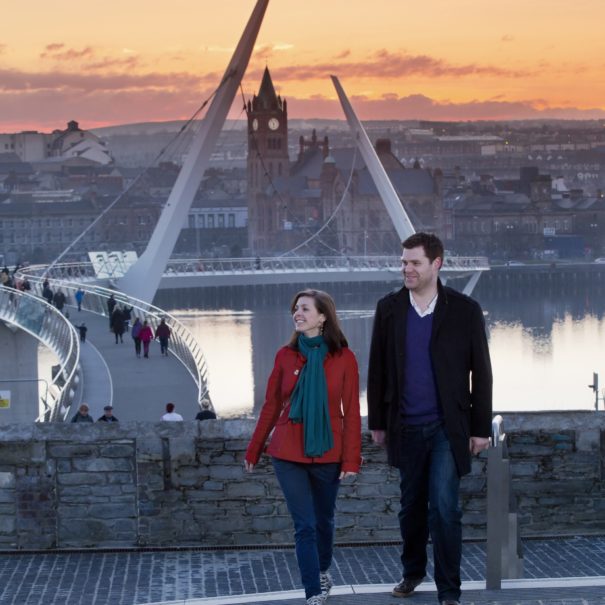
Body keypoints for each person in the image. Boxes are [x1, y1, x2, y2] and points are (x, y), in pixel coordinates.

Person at [367, 232, 493, 605]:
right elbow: (377, 370)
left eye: (414, 262)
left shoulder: (465, 310)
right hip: (404, 425)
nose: (406, 268)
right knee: (410, 507)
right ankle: (412, 572)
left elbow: (481, 373)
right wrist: (377, 422)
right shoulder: (389, 308)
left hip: (446, 427)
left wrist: (480, 428)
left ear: (436, 264)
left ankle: (449, 592)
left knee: (444, 506)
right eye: (404, 261)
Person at [245, 289, 361, 605]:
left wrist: (352, 459)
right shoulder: (285, 356)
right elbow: (271, 406)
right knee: (305, 525)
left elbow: (350, 411)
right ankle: (312, 591)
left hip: (328, 452)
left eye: (305, 309)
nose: (297, 313)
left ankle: (323, 570)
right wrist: (255, 448)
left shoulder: (344, 359)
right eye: (296, 309)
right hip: (287, 452)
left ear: (323, 316)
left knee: (324, 520)